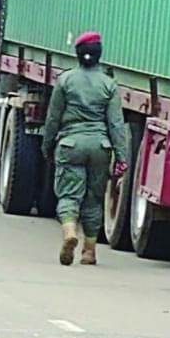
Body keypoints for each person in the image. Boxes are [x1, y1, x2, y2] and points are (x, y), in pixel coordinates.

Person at [42, 32, 130, 266]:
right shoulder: (109, 85)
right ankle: (89, 251)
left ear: (78, 54)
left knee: (69, 194)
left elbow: (53, 118)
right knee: (94, 198)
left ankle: (70, 231)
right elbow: (116, 124)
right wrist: (122, 156)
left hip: (71, 144)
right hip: (100, 147)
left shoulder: (65, 80)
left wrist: (47, 145)